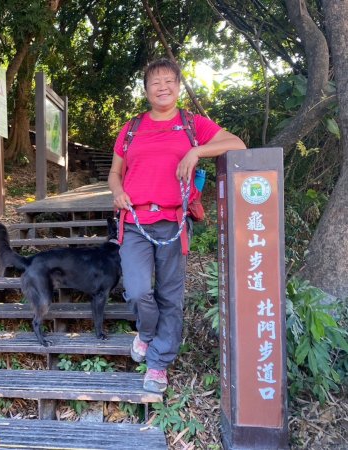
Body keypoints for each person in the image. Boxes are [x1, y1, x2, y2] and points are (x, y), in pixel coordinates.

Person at [108, 58, 246, 394]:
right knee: (139, 290)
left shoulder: (191, 123)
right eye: (155, 82)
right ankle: (145, 331)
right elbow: (114, 172)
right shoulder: (131, 128)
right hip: (136, 221)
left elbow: (237, 144)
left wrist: (197, 151)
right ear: (146, 90)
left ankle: (158, 364)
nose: (163, 87)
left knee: (170, 296)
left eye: (169, 81)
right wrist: (118, 191)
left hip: (174, 221)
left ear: (178, 86)